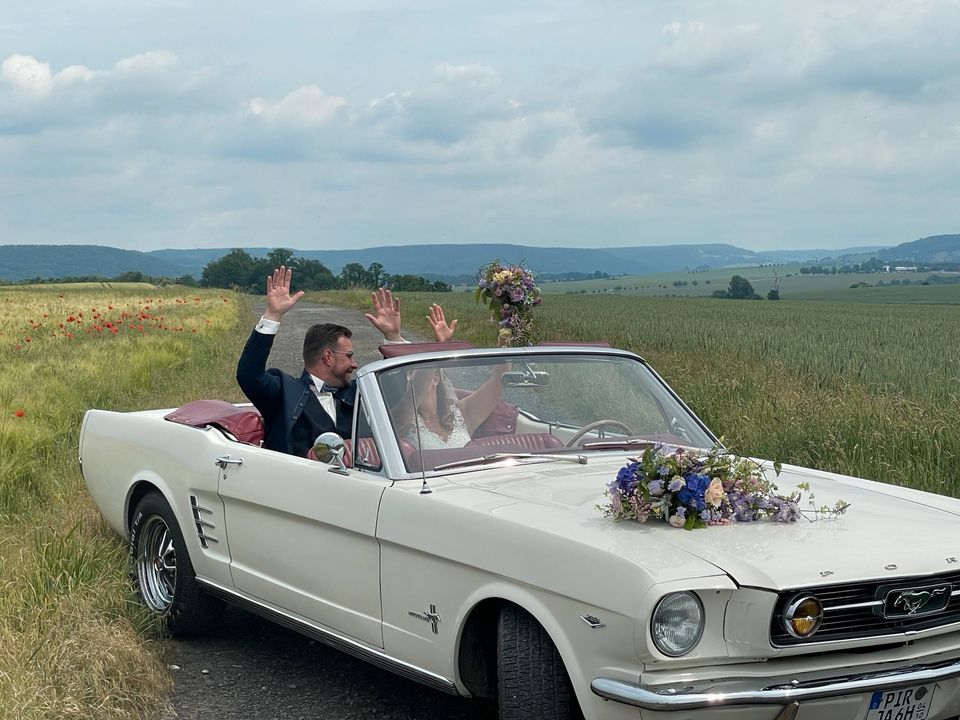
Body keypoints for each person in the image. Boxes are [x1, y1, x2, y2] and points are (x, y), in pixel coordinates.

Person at [236, 265, 406, 457]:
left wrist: (393, 337)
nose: (355, 364)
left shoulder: (360, 393)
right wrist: (272, 315)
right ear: (328, 356)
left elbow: (395, 390)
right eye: (349, 356)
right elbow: (248, 375)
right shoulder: (284, 391)